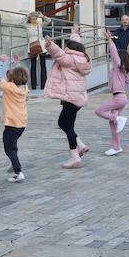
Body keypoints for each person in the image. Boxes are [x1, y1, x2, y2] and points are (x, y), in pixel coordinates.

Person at [44, 31, 92, 168]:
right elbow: (75, 45)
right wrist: (74, 34)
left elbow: (59, 54)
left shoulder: (70, 59)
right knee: (66, 124)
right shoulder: (82, 58)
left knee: (65, 124)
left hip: (71, 97)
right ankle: (80, 146)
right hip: (77, 97)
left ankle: (75, 156)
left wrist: (50, 44)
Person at [95, 38, 129, 155]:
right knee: (112, 124)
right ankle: (116, 147)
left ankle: (118, 119)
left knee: (99, 111)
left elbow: (114, 55)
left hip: (119, 98)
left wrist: (110, 41)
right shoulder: (123, 70)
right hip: (121, 97)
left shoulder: (118, 67)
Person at [0, 60, 29, 182]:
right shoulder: (24, 88)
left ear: (12, 79)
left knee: (8, 148)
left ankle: (18, 171)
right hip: (21, 124)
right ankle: (14, 162)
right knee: (13, 145)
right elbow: (19, 74)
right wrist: (17, 63)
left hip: (11, 124)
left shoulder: (9, 88)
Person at [26, 12, 48, 91]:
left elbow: (48, 21)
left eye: (35, 18)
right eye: (32, 19)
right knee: (33, 65)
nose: (34, 20)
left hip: (41, 45)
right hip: (32, 45)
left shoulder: (39, 25)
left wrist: (43, 16)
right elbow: (20, 23)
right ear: (30, 19)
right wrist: (27, 16)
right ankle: (33, 85)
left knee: (43, 65)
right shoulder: (27, 26)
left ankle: (43, 85)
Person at [114, 14, 129, 94]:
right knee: (120, 71)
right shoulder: (117, 31)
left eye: (126, 19)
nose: (125, 21)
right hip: (120, 54)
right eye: (123, 19)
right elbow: (115, 42)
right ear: (121, 21)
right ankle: (120, 89)